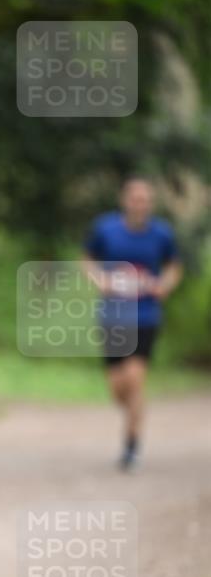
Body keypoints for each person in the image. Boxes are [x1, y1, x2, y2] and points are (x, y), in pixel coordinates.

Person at [83, 177, 182, 471]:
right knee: (118, 387)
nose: (140, 204)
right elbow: (87, 259)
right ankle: (135, 412)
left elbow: (174, 267)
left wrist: (164, 285)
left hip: (145, 315)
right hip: (113, 315)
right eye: (135, 199)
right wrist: (101, 280)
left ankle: (131, 446)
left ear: (151, 204)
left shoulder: (162, 234)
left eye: (145, 200)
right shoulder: (106, 229)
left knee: (135, 378)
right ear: (124, 200)